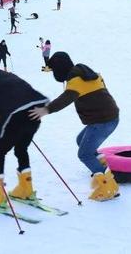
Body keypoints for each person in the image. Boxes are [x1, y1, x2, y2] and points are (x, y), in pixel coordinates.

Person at [28, 51, 120, 201]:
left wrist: (45, 109)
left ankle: (108, 186)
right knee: (80, 140)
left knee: (84, 154)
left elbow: (65, 99)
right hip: (108, 118)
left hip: (102, 122)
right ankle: (101, 169)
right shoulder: (90, 74)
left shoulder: (76, 81)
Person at [0, 54, 49, 207]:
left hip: (14, 119)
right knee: (21, 148)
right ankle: (25, 189)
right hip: (34, 113)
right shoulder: (9, 75)